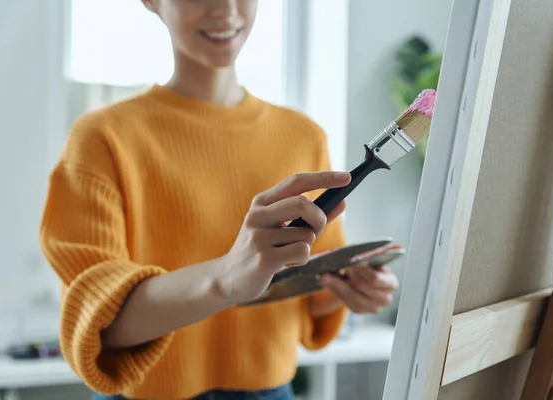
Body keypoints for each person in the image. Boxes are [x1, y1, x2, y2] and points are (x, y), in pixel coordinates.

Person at [39, 0, 399, 399]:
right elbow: (99, 322)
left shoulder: (302, 135)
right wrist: (226, 278)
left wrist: (354, 288)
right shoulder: (102, 140)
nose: (226, 9)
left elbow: (309, 285)